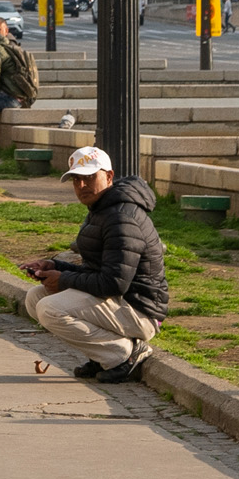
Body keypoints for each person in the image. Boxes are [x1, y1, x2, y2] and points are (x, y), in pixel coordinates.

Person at [20, 145, 167, 382]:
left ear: (109, 176)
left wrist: (64, 279)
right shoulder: (102, 208)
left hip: (140, 311)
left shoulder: (122, 217)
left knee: (50, 308)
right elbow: (97, 272)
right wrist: (55, 267)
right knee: (36, 297)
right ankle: (101, 355)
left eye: (89, 177)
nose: (81, 186)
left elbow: (114, 283)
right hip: (119, 303)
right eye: (76, 179)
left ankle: (124, 355)